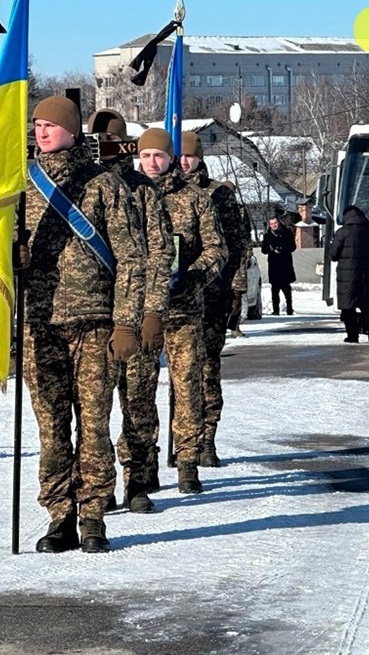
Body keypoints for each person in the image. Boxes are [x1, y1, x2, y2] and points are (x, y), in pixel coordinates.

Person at [20, 97, 146, 553]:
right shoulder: (21, 187)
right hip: (40, 324)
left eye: (51, 124)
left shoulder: (104, 187)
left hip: (94, 325)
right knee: (51, 428)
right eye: (37, 124)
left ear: (73, 130)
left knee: (93, 424)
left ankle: (93, 515)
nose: (42, 131)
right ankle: (60, 515)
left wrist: (126, 321)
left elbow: (133, 258)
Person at [85, 109, 172, 512]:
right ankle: (97, 489)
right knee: (94, 411)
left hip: (134, 317)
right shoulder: (79, 186)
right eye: (96, 137)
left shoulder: (141, 190)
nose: (102, 145)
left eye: (109, 138)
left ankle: (137, 480)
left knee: (137, 401)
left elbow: (158, 255)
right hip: (93, 317)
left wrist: (153, 312)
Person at [133, 127, 225, 494]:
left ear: (171, 157)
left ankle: (187, 460)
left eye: (158, 155)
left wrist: (193, 278)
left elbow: (216, 249)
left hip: (184, 309)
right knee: (138, 390)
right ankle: (143, 463)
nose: (152, 163)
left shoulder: (195, 198)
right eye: (145, 156)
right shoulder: (126, 195)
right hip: (140, 312)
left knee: (186, 387)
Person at [181, 131, 245, 468]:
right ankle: (183, 442)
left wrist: (237, 289)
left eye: (189, 156)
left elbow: (237, 244)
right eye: (179, 155)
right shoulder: (164, 191)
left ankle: (206, 438)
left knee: (206, 370)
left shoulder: (219, 194)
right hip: (177, 299)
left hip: (212, 294)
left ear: (200, 158)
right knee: (180, 375)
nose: (184, 161)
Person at [327, 205, 369, 343]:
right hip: (366, 272)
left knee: (348, 306)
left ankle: (352, 335)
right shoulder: (368, 231)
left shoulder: (342, 232)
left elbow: (333, 254)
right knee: (366, 304)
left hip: (346, 275)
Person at [261, 216, 296, 315]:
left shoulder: (287, 233)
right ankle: (275, 310)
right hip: (274, 265)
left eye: (275, 223)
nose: (274, 225)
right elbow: (264, 250)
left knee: (286, 288)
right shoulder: (267, 236)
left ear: (279, 223)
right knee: (274, 289)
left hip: (285, 264)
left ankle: (289, 308)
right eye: (271, 224)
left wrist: (282, 249)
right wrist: (271, 249)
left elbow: (293, 247)